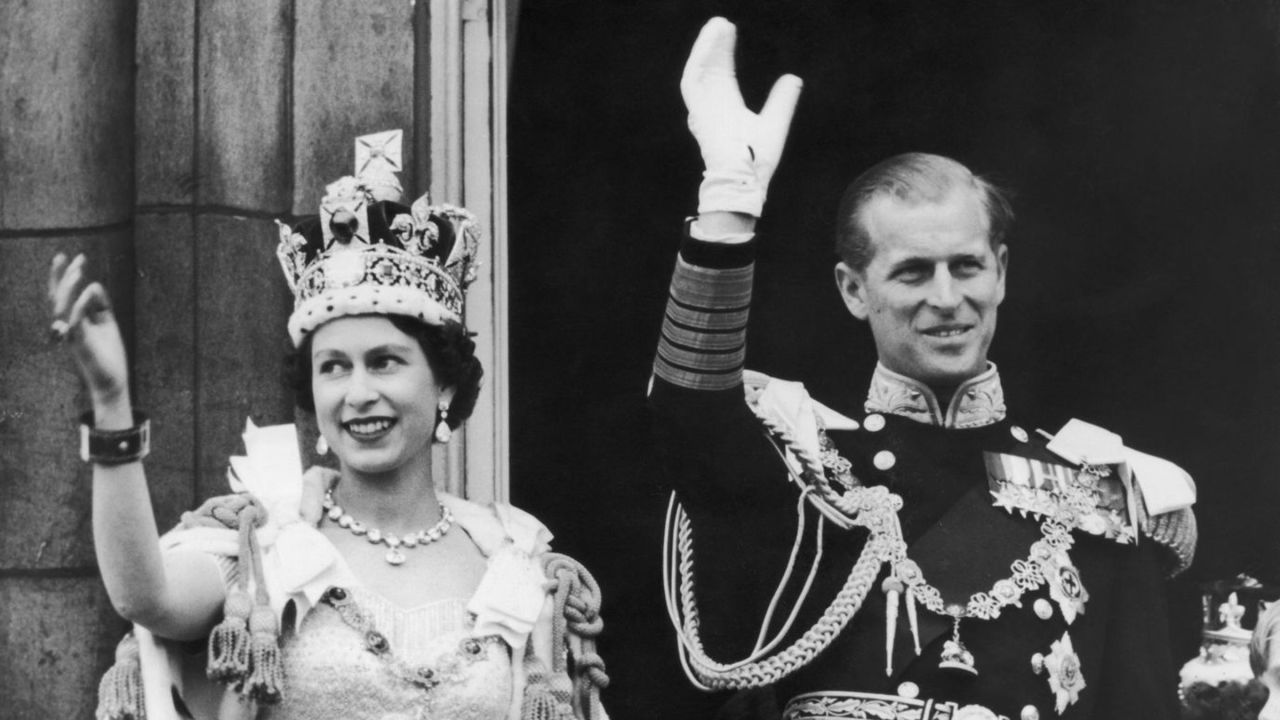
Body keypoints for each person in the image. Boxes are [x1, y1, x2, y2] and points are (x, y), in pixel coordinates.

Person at [652, 18, 1198, 720]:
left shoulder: (1100, 496)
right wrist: (727, 205)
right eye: (912, 273)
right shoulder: (811, 476)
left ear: (999, 272)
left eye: (966, 266)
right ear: (855, 290)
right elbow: (688, 416)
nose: (947, 299)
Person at [49, 132, 608, 720]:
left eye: (385, 362)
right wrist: (112, 403)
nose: (358, 394)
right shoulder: (264, 548)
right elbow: (145, 595)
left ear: (444, 383)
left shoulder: (513, 560)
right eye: (333, 367)